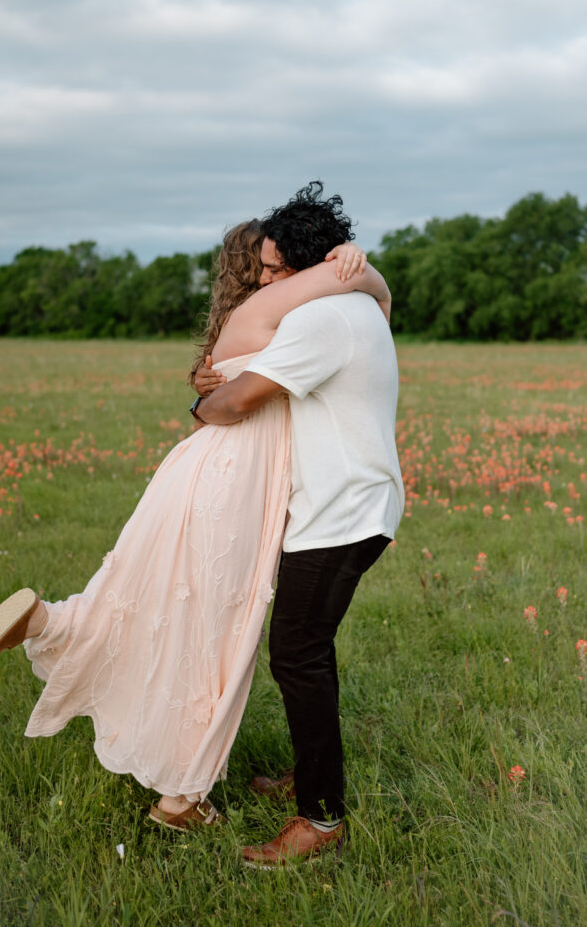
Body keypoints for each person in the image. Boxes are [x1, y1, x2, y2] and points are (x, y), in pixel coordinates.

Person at [0, 215, 391, 831]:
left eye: (278, 268)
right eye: (263, 268)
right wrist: (356, 262)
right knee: (214, 637)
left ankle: (49, 621)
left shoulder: (258, 318)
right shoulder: (286, 308)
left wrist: (352, 263)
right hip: (239, 485)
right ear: (261, 270)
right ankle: (181, 797)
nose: (271, 277)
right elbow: (364, 298)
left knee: (146, 599)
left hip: (197, 472)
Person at [193, 182, 404, 866]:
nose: (266, 282)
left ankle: (320, 817)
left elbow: (239, 403)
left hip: (340, 514)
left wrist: (203, 399)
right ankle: (311, 771)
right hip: (351, 504)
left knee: (297, 654)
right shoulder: (352, 307)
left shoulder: (320, 322)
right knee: (307, 650)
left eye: (278, 270)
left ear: (314, 266)